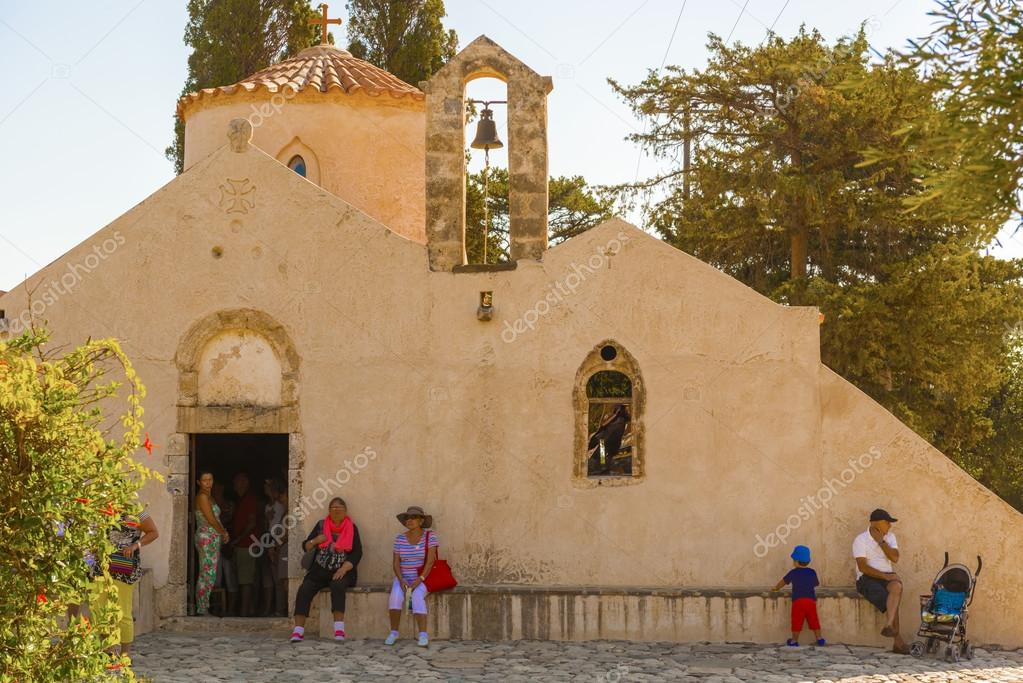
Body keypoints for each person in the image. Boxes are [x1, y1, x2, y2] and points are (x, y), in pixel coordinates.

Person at [290, 497, 363, 643]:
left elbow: (357, 553)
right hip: (320, 569)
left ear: (345, 511)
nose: (336, 511)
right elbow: (306, 546)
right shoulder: (321, 526)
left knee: (338, 586)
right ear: (329, 511)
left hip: (342, 571)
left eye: (339, 508)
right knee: (305, 589)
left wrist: (344, 568)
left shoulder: (351, 528)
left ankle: (339, 630)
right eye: (333, 508)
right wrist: (316, 540)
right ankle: (298, 631)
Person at [89, 508, 159, 658]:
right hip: (100, 566)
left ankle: (125, 654)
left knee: (123, 611)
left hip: (124, 567)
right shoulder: (100, 507)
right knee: (98, 609)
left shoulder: (137, 511)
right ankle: (106, 650)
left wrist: (135, 545)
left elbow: (153, 532)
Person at [853, 508, 909, 653]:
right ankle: (898, 642)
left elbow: (895, 558)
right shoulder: (860, 540)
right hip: (866, 579)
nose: (890, 525)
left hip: (887, 576)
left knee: (897, 587)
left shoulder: (890, 537)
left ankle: (889, 625)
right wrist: (886, 576)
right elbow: (863, 567)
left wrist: (881, 542)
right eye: (887, 522)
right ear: (876, 523)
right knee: (891, 601)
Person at [385, 505, 438, 648]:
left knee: (416, 596)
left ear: (421, 521)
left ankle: (423, 635)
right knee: (395, 597)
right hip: (403, 578)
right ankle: (394, 633)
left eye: (414, 517)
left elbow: (430, 561)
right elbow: (396, 563)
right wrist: (401, 580)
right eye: (407, 518)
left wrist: (419, 579)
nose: (409, 520)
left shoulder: (430, 536)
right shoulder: (400, 539)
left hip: (423, 578)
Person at [772, 545, 825, 647]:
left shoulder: (793, 572)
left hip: (798, 602)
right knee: (814, 620)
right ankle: (819, 639)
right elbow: (816, 583)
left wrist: (776, 588)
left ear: (796, 561)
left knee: (797, 621)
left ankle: (794, 641)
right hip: (810, 601)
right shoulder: (812, 572)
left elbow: (783, 582)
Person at [195, 470, 229, 615]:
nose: (208, 483)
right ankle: (202, 608)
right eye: (205, 480)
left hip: (212, 538)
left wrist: (222, 532)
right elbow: (211, 519)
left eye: (210, 479)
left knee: (210, 573)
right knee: (206, 573)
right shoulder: (202, 497)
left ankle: (204, 606)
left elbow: (216, 519)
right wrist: (223, 532)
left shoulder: (210, 497)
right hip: (206, 538)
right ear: (199, 482)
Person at [231, 472, 260, 616]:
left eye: (238, 481)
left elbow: (252, 523)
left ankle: (244, 612)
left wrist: (238, 539)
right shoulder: (241, 500)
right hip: (243, 544)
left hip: (247, 544)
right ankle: (248, 610)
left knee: (246, 581)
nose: (235, 484)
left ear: (245, 483)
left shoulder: (249, 500)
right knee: (245, 579)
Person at [261, 478, 287, 616]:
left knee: (280, 579)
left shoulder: (282, 507)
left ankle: (281, 609)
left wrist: (275, 545)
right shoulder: (268, 506)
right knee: (274, 578)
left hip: (279, 542)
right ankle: (277, 609)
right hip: (271, 540)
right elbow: (268, 525)